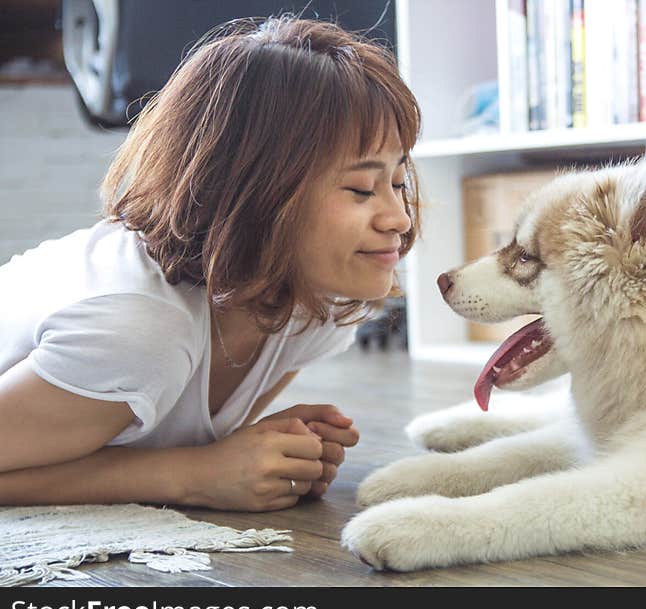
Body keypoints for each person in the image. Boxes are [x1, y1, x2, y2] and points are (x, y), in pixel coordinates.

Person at [0, 15, 421, 512]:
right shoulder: (138, 330)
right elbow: (186, 464)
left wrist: (265, 454)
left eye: (398, 183)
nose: (398, 218)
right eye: (359, 189)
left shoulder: (313, 305)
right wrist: (192, 476)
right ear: (253, 192)